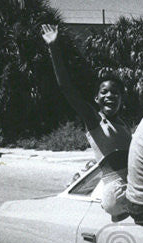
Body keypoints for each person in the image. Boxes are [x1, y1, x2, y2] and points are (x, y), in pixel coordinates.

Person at [42, 24, 135, 218]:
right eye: (104, 92)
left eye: (115, 93)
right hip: (117, 190)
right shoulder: (95, 120)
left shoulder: (124, 124)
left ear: (122, 98)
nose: (110, 95)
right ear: (96, 99)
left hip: (132, 185)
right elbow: (66, 87)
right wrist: (53, 47)